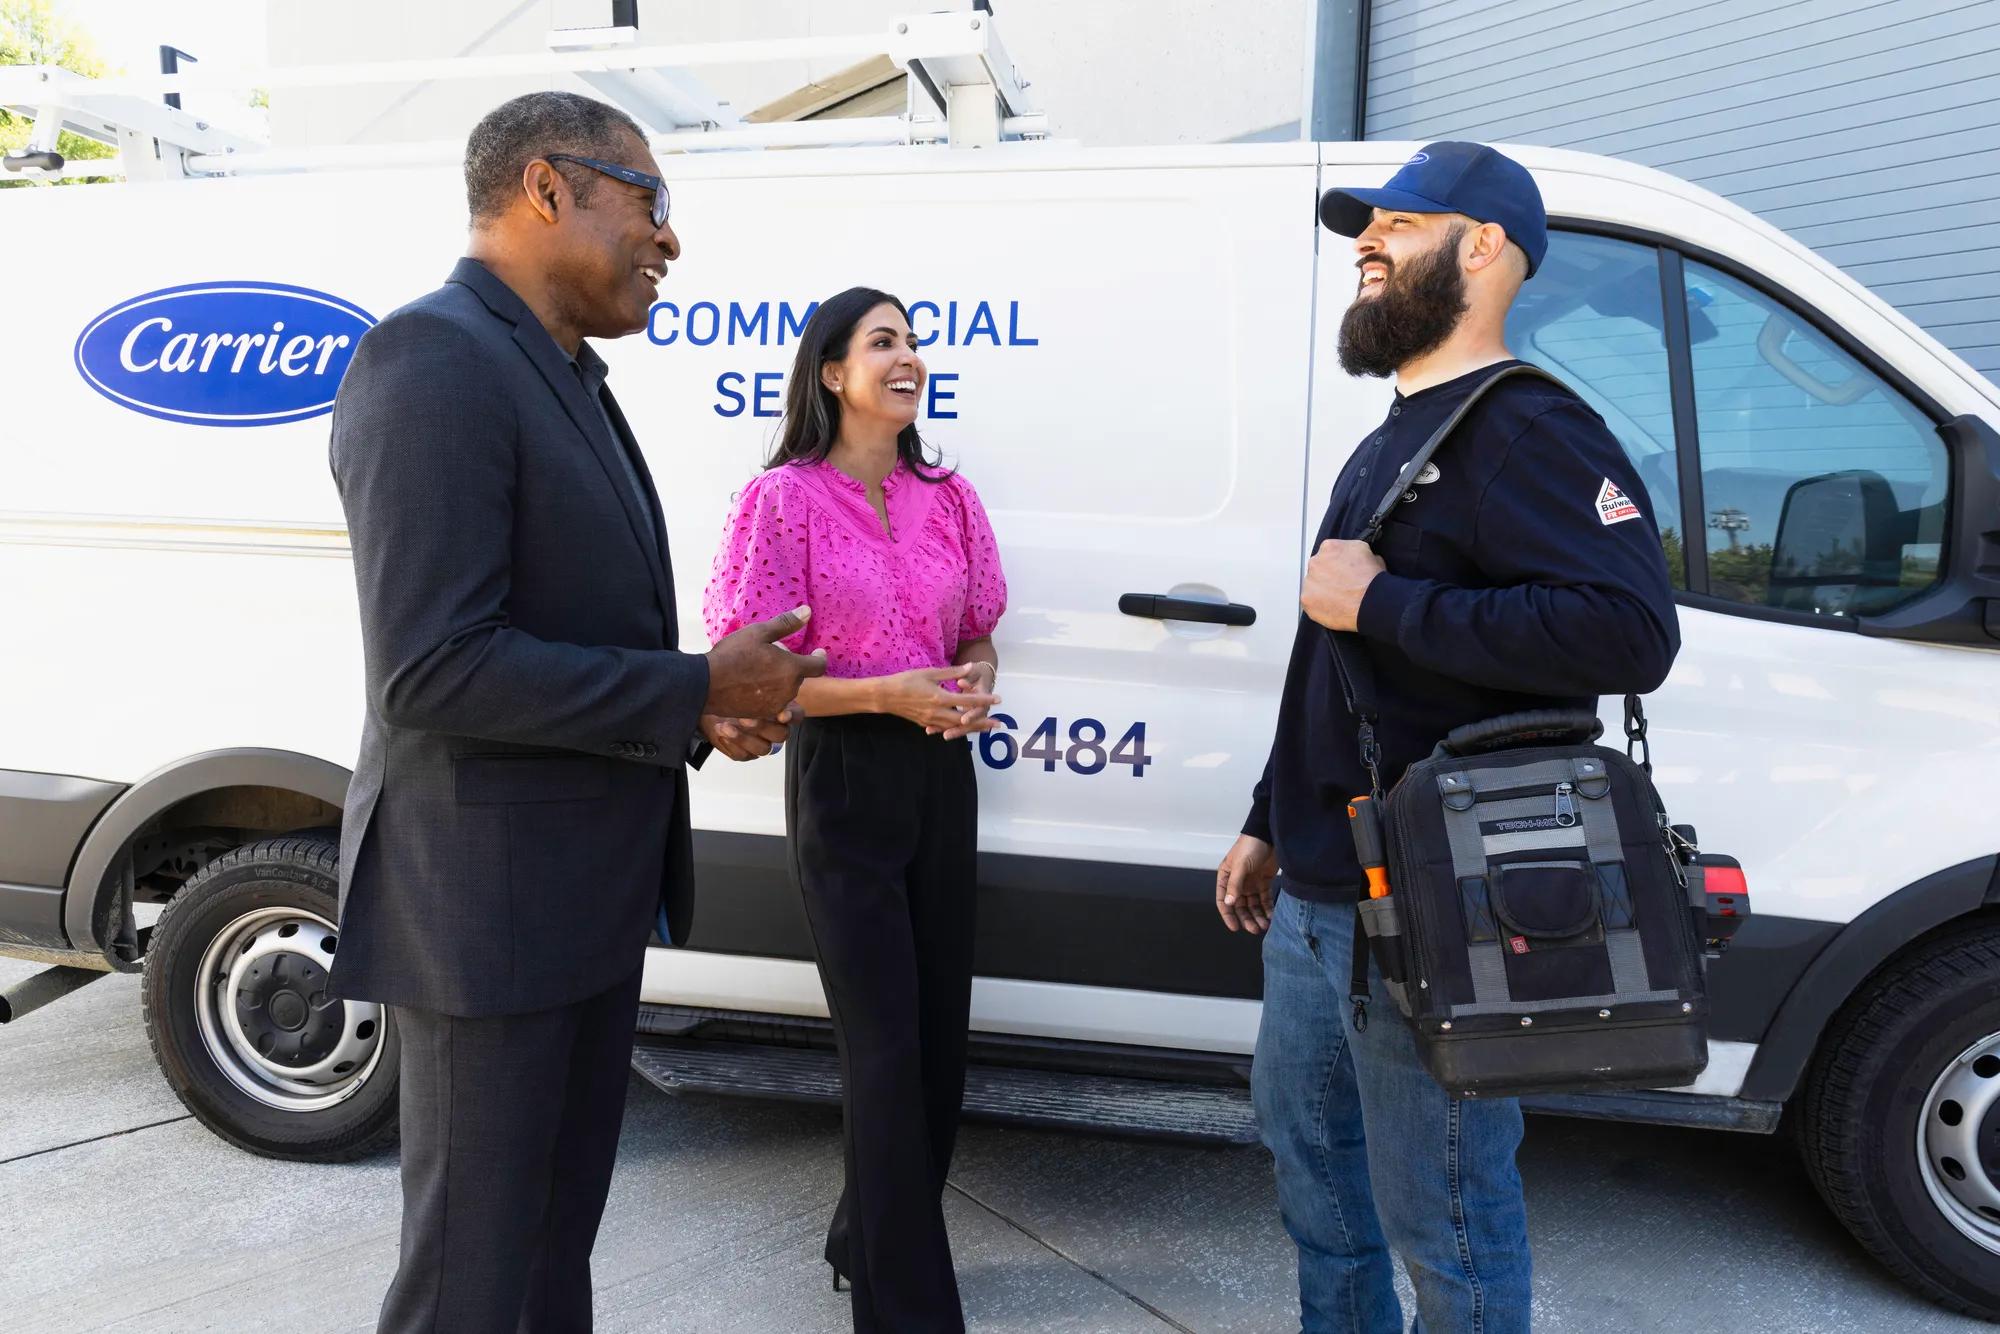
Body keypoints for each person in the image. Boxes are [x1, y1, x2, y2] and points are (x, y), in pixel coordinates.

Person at [328, 91, 825, 1333]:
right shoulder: (431, 356)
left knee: (549, 1257)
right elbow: (432, 665)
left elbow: (560, 633)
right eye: (651, 203)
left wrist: (696, 711)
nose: (669, 240)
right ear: (549, 189)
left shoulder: (560, 373)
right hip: (487, 917)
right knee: (473, 1281)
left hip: (576, 902)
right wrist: (691, 688)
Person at [1215, 142, 1680, 1333]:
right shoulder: (1397, 429)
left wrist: (1383, 601)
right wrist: (1269, 818)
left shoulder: (1524, 431)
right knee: (1313, 1175)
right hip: (1321, 892)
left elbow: (1628, 632)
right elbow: (1331, 657)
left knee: (1447, 1213)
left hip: (1434, 911)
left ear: (1481, 247)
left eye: (1397, 223)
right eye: (1364, 226)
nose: (1366, 243)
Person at [702, 287, 1008, 1334]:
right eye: (884, 341)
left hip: (937, 774)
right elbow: (753, 678)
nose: (907, 357)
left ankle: (858, 1234)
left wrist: (971, 675)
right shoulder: (781, 502)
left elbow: (974, 629)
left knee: (933, 1046)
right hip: (842, 773)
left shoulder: (949, 497)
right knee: (880, 1049)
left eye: (914, 342)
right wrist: (888, 691)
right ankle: (907, 1309)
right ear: (832, 372)